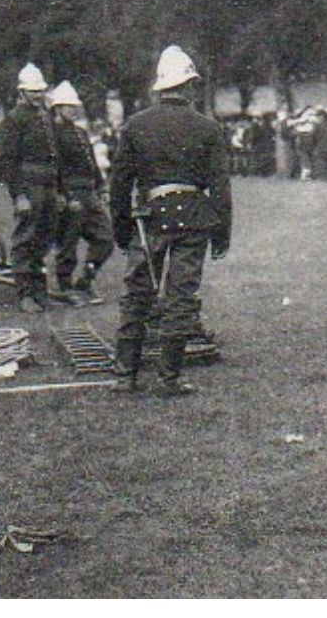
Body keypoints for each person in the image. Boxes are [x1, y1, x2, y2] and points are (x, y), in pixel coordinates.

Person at [108, 46, 231, 395]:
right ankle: (169, 379)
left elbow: (119, 184)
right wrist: (221, 235)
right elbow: (220, 188)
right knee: (180, 298)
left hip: (149, 220)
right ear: (189, 87)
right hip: (193, 219)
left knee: (137, 296)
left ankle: (124, 376)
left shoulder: (135, 125)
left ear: (159, 88)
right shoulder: (208, 128)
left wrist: (121, 229)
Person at [0, 63, 63, 313]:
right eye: (33, 91)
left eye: (40, 90)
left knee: (44, 239)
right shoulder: (14, 119)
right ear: (22, 92)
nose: (38, 95)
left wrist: (57, 190)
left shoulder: (45, 116)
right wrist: (19, 196)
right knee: (26, 239)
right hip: (29, 185)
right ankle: (25, 293)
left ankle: (39, 291)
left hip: (48, 184)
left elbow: (54, 156)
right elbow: (8, 162)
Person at [47, 79, 113, 305]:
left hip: (89, 192)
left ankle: (86, 280)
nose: (73, 110)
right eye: (68, 106)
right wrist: (65, 195)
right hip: (70, 194)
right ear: (57, 108)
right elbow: (55, 168)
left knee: (105, 238)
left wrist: (101, 186)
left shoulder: (81, 133)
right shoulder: (52, 135)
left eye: (75, 107)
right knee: (68, 243)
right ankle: (64, 287)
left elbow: (92, 164)